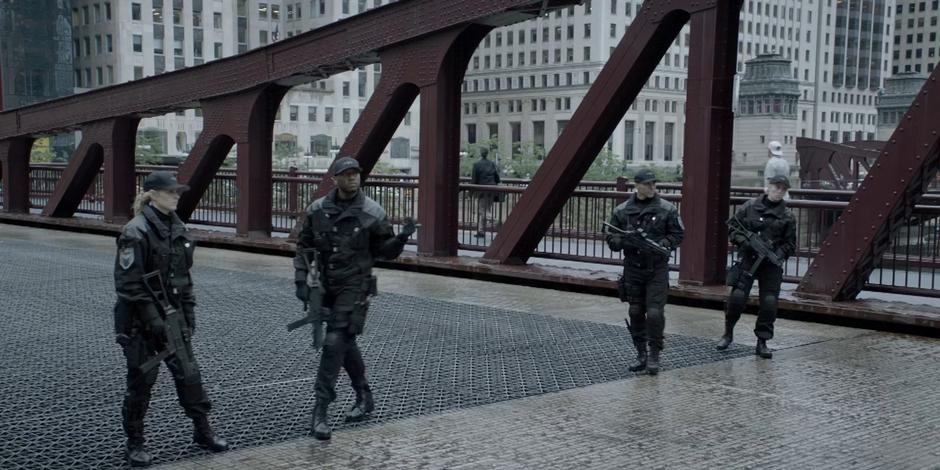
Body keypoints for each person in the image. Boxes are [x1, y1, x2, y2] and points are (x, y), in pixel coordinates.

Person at [294, 156, 417, 440]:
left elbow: (384, 252)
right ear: (334, 178)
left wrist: (401, 239)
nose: (352, 178)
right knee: (345, 341)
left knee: (334, 340)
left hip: (356, 284)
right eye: (346, 174)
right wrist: (301, 280)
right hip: (325, 285)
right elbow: (304, 248)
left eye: (355, 174)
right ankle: (364, 395)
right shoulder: (317, 210)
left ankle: (320, 410)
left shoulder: (372, 212)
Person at [113, 171, 228, 467]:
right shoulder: (135, 231)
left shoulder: (176, 228)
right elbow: (129, 285)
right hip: (140, 323)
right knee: (142, 381)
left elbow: (183, 278)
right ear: (152, 194)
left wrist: (188, 315)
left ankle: (203, 431)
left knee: (190, 377)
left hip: (172, 317)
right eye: (170, 192)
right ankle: (134, 443)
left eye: (177, 191)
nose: (177, 195)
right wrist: (154, 320)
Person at [605, 169, 684, 376]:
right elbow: (611, 238)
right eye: (648, 184)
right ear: (636, 185)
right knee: (635, 311)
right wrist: (624, 241)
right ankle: (640, 353)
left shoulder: (667, 209)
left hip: (657, 267)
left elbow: (677, 234)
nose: (652, 188)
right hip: (633, 268)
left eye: (654, 184)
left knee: (655, 313)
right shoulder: (622, 211)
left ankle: (654, 355)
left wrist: (662, 244)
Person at [717, 174, 796, 358]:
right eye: (776, 187)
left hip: (770, 265)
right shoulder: (750, 207)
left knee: (769, 302)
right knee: (736, 298)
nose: (779, 191)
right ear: (768, 187)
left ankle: (762, 341)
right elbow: (733, 228)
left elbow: (790, 244)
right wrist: (744, 242)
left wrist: (778, 254)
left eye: (783, 189)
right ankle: (728, 333)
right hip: (749, 258)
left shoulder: (788, 216)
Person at [470, 147, 501, 238]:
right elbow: (496, 177)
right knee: (485, 210)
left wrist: (470, 193)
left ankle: (495, 221)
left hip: (482, 191)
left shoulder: (476, 165)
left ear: (480, 154)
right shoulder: (492, 164)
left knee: (482, 211)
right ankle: (481, 231)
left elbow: (474, 180)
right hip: (492, 190)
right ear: (487, 154)